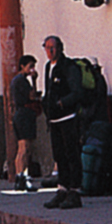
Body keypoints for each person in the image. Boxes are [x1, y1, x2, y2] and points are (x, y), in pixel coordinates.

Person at [41, 35, 85, 210]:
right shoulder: (47, 67)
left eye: (53, 47)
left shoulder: (69, 67)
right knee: (59, 155)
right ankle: (62, 189)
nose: (50, 51)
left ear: (60, 48)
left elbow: (77, 92)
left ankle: (75, 191)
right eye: (47, 47)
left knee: (71, 154)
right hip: (53, 119)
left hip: (68, 117)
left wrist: (62, 103)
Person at [9, 55, 39, 191]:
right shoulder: (22, 81)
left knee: (24, 148)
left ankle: (21, 175)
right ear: (23, 66)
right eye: (30, 66)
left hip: (21, 114)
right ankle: (21, 176)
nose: (32, 70)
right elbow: (31, 96)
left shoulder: (17, 80)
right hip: (24, 114)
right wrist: (34, 81)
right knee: (24, 148)